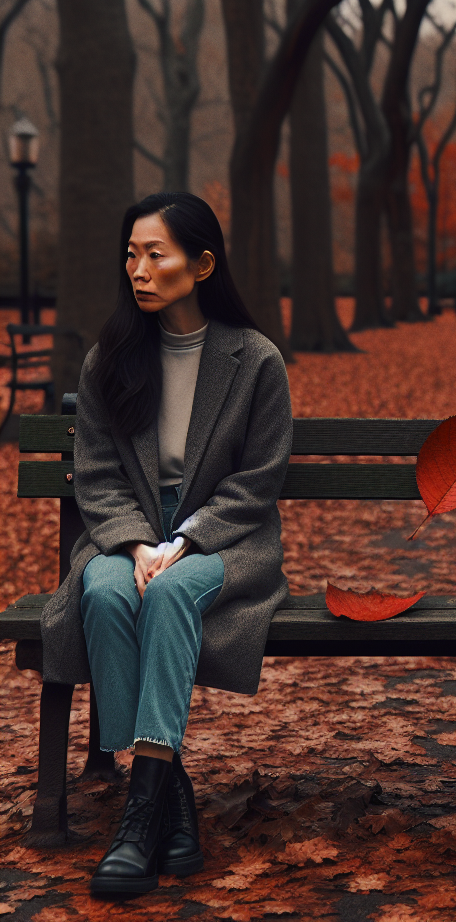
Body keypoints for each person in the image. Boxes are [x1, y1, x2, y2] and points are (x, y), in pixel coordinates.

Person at [39, 192, 293, 897]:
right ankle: (167, 796)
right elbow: (95, 473)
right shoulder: (109, 360)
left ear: (202, 263)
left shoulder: (256, 359)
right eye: (131, 254)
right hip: (127, 530)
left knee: (175, 588)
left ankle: (136, 818)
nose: (138, 269)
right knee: (102, 589)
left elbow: (259, 478)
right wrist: (134, 544)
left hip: (226, 534)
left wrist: (183, 539)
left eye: (156, 254)